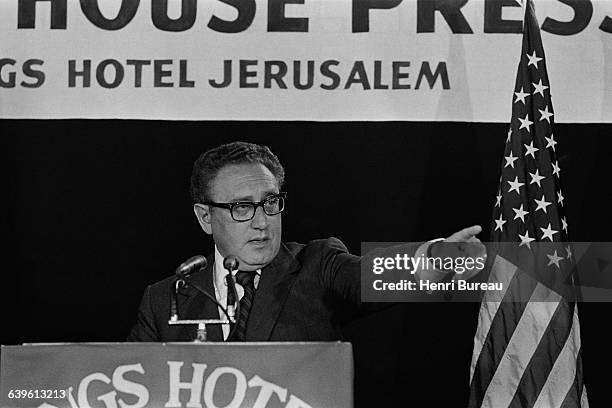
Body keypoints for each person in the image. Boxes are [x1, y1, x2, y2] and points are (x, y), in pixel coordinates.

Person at [127, 141, 484, 342]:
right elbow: (127, 383)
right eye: (240, 208)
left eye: (270, 202)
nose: (262, 221)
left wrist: (435, 259)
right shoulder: (166, 299)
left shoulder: (317, 266)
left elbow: (371, 275)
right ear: (206, 217)